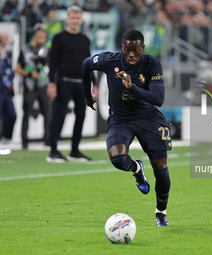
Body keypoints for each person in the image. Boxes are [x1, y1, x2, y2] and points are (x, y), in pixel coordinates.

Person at [82, 29, 171, 227]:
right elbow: (86, 64)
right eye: (127, 50)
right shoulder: (109, 60)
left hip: (148, 118)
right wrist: (87, 94)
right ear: (122, 48)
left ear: (142, 48)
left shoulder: (152, 64)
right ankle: (137, 169)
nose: (131, 54)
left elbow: (158, 99)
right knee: (118, 159)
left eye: (135, 50)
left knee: (160, 168)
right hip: (120, 119)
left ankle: (161, 212)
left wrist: (133, 88)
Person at [46, 5, 97, 162]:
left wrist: (94, 83)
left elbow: (88, 63)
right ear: (67, 19)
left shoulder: (85, 39)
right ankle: (53, 151)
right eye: (72, 18)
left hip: (81, 83)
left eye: (77, 18)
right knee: (58, 115)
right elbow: (52, 62)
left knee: (81, 116)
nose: (75, 20)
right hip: (64, 82)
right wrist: (51, 83)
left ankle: (75, 151)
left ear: (81, 20)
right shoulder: (59, 38)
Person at [15, 25, 50, 149]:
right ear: (34, 37)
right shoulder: (25, 49)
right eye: (39, 37)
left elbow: (49, 65)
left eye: (43, 37)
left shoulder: (46, 50)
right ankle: (24, 140)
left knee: (47, 112)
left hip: (42, 85)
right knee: (26, 113)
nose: (41, 39)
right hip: (29, 85)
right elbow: (17, 68)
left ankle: (47, 140)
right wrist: (30, 74)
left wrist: (43, 62)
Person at [0, 33, 16, 144]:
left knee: (12, 115)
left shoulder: (7, 54)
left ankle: (7, 137)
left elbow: (11, 72)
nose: (6, 41)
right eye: (4, 38)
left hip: (7, 91)